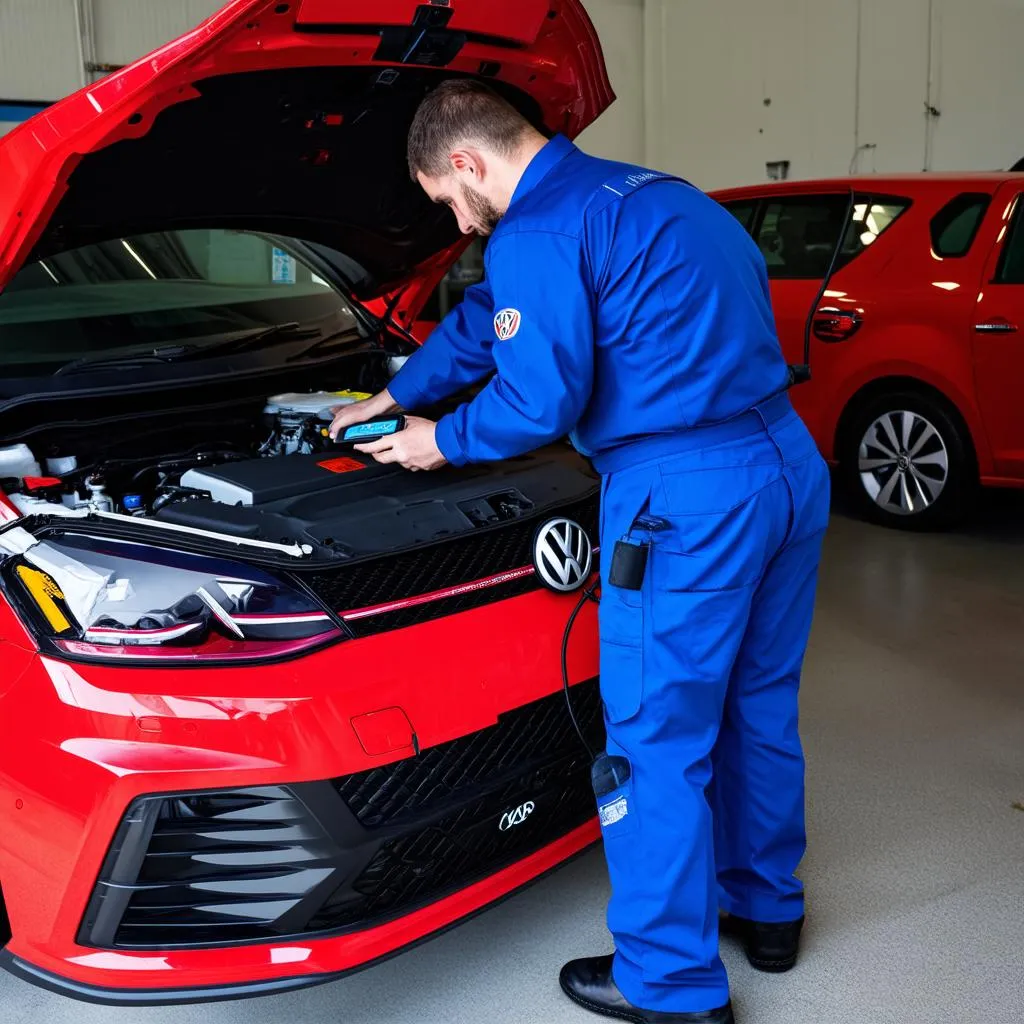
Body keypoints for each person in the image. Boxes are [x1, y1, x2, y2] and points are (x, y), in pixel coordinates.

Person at [329, 80, 830, 1024]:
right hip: (785, 467)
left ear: (467, 163)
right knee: (758, 702)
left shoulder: (539, 231)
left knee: (652, 739)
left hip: (684, 498)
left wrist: (435, 440)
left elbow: (535, 403)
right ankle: (768, 910)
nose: (456, 220)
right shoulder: (662, 195)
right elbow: (487, 320)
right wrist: (399, 393)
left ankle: (669, 984)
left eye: (447, 199)